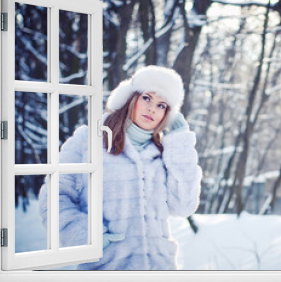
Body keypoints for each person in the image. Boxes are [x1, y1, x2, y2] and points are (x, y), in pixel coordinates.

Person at [39, 66, 202, 270]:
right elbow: (54, 198)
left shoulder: (164, 152)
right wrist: (88, 237)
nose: (152, 108)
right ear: (130, 98)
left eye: (161, 105)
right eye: (146, 98)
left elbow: (183, 207)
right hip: (107, 271)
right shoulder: (88, 141)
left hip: (160, 272)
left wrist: (180, 146)